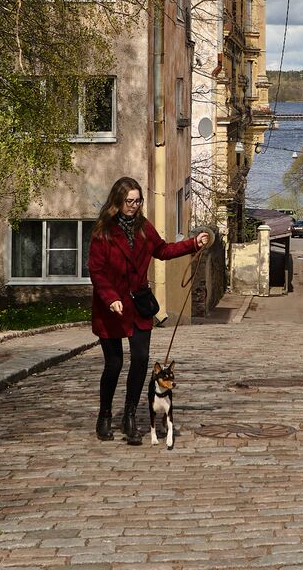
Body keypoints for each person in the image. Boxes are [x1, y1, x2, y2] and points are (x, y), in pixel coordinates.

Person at [87, 176, 211, 445]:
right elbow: (96, 271)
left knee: (141, 360)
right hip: (109, 307)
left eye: (137, 200)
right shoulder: (103, 232)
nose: (133, 205)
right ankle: (105, 414)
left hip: (138, 304)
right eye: (128, 201)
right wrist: (110, 298)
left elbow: (163, 250)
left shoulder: (144, 228)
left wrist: (193, 244)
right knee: (114, 364)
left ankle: (130, 415)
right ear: (118, 202)